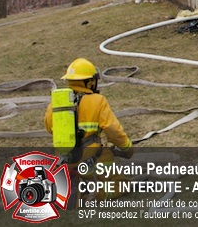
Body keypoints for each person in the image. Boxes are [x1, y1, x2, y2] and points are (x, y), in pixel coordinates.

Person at [44, 58, 134, 198]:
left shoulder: (56, 103)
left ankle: (73, 185)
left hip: (65, 161)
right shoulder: (97, 101)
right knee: (122, 184)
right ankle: (91, 195)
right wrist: (127, 148)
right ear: (90, 82)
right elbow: (113, 130)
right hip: (92, 159)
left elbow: (49, 127)